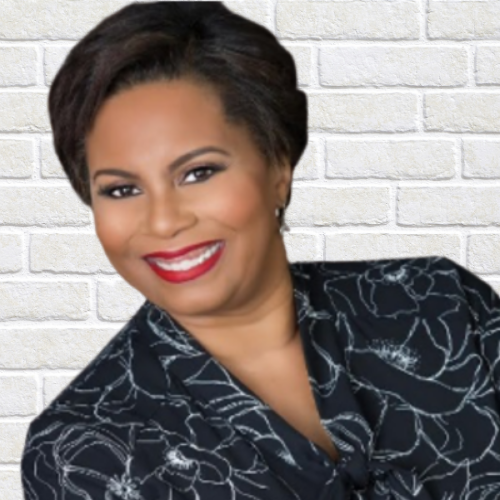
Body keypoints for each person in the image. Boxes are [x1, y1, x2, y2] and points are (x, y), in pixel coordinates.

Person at [20, 2, 500, 499]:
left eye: (198, 173)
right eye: (121, 190)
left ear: (278, 167)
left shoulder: (440, 305)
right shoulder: (80, 453)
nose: (163, 221)